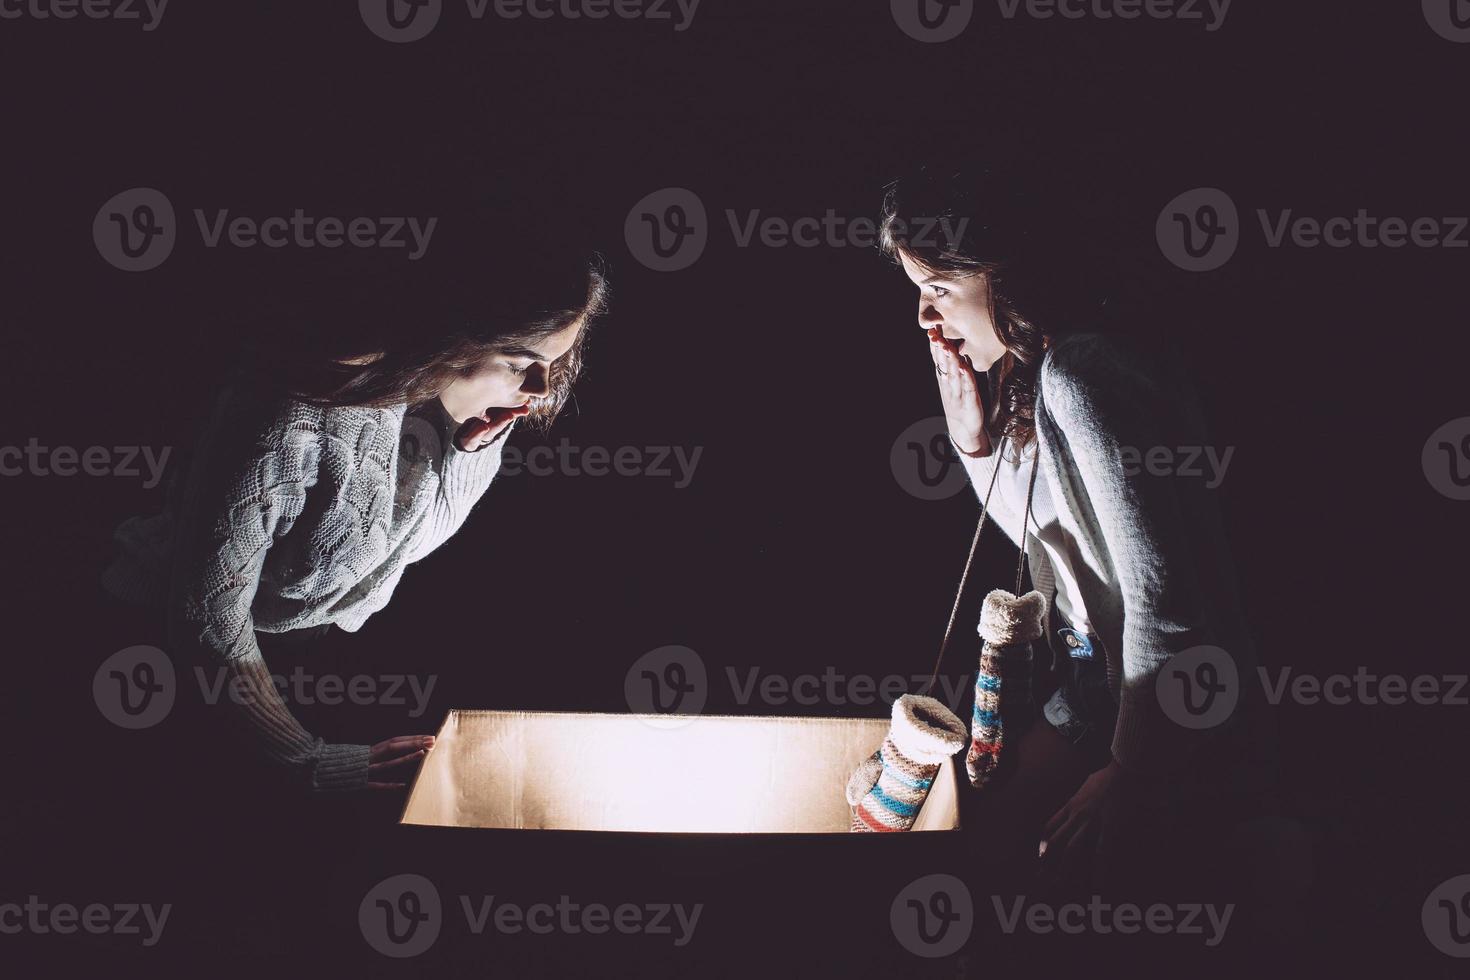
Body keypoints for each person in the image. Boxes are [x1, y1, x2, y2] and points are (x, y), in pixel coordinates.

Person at [879, 169, 1277, 895]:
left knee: (1012, 865)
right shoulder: (1046, 368)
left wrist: (1130, 771)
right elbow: (1053, 550)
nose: (924, 317)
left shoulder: (1084, 372)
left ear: (996, 272)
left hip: (1166, 698)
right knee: (981, 836)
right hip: (1104, 687)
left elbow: (1168, 603)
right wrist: (975, 443)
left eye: (936, 287)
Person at [100, 245, 610, 795]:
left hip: (284, 660)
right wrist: (309, 761)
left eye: (555, 363)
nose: (537, 390)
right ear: (454, 333)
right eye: (518, 362)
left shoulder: (447, 409)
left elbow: (394, 551)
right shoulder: (293, 411)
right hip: (163, 660)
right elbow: (207, 615)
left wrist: (466, 453)